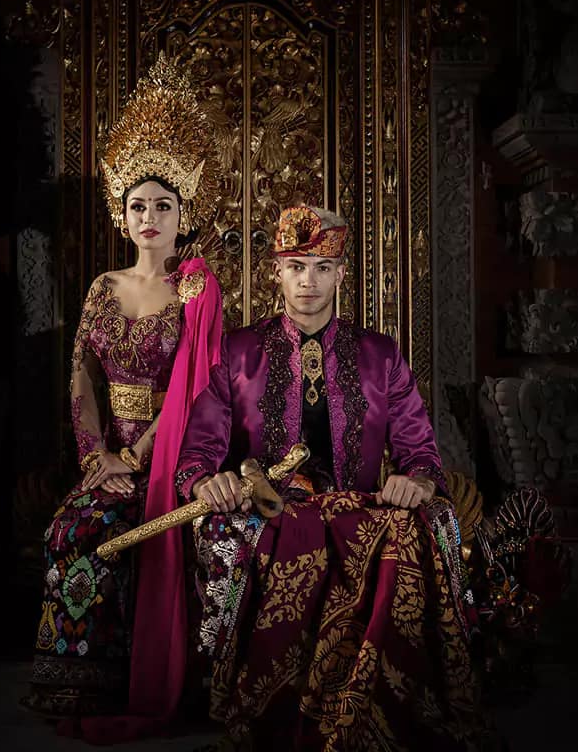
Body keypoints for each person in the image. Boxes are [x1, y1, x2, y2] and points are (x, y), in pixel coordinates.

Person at [176, 204, 484, 751]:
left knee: (417, 522)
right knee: (271, 532)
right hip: (270, 508)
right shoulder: (237, 352)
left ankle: (376, 698)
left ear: (342, 274)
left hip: (357, 510)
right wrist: (204, 481)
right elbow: (200, 447)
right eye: (296, 267)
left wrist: (417, 480)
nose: (308, 281)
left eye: (322, 267)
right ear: (276, 271)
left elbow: (419, 450)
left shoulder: (380, 355)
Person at [24, 54, 223, 729]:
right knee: (70, 526)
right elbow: (81, 373)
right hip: (107, 456)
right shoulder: (103, 288)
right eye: (138, 205)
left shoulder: (195, 290)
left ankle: (132, 683)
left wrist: (137, 459)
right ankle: (75, 681)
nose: (149, 216)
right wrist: (95, 456)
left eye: (163, 205)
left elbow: (199, 390)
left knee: (113, 530)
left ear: (183, 213)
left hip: (169, 459)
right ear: (121, 213)